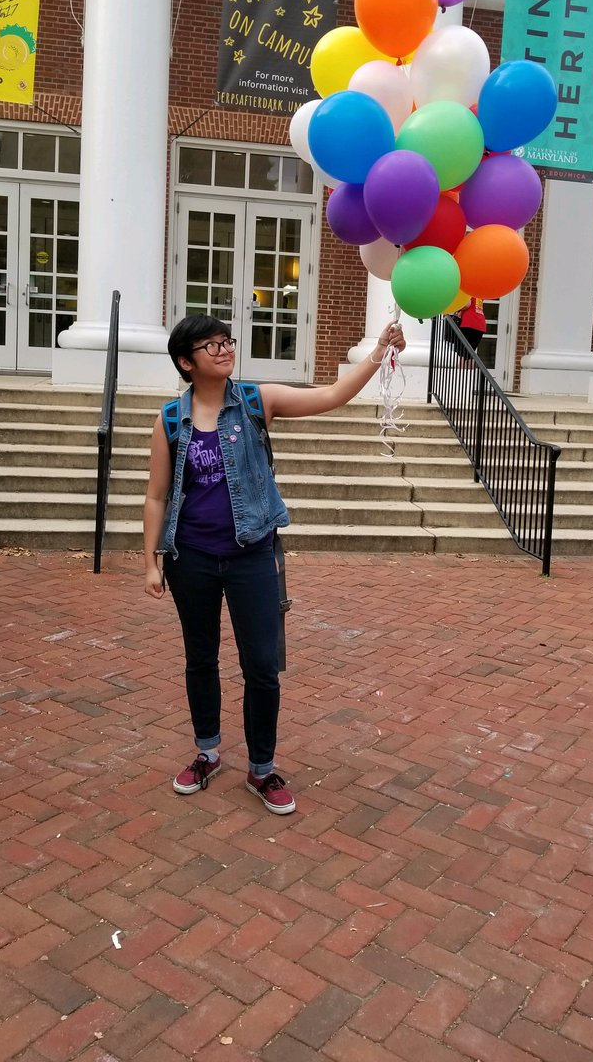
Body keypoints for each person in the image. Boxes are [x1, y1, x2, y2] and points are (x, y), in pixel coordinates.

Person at [143, 315, 406, 814]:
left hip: (252, 555)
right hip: (191, 559)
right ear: (186, 360)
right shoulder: (171, 420)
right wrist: (151, 561)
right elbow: (156, 496)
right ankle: (207, 752)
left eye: (227, 341)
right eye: (210, 344)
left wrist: (379, 350)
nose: (224, 350)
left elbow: (332, 396)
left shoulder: (256, 400)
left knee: (261, 667)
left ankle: (261, 768)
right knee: (200, 659)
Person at [456, 296, 487, 366]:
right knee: (471, 353)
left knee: (463, 353)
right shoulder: (479, 294)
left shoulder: (469, 293)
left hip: (469, 322)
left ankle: (460, 373)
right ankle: (470, 373)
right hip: (480, 325)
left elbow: (467, 305)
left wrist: (457, 308)